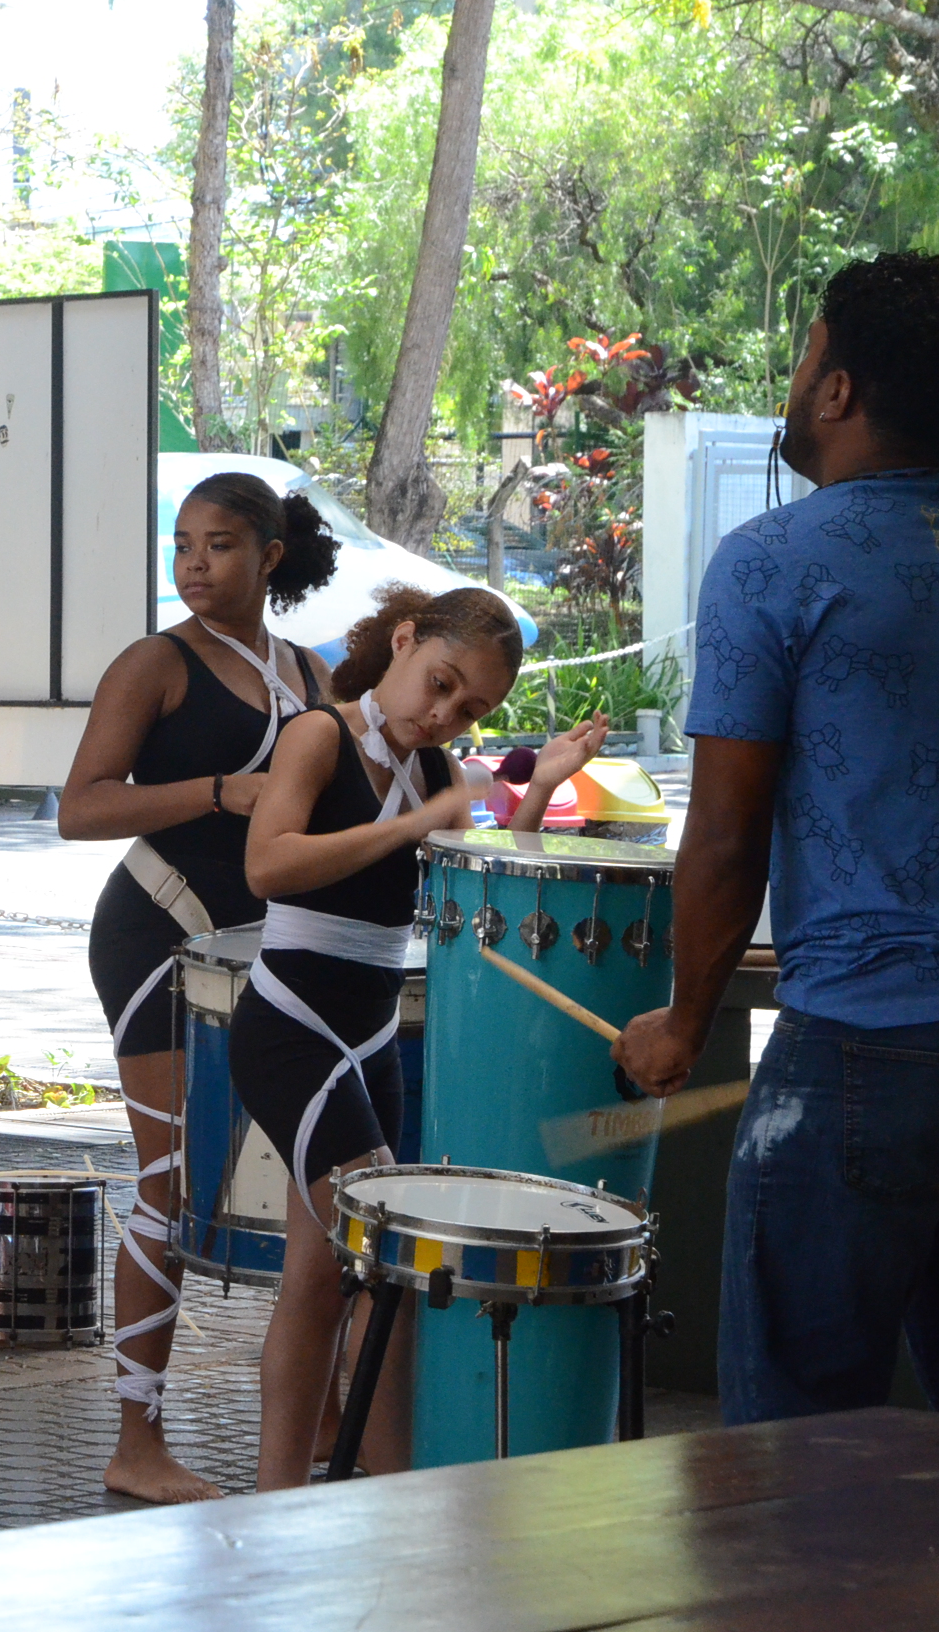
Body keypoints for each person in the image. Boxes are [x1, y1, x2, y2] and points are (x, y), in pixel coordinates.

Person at [615, 251, 939, 1426]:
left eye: (805, 358)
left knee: (794, 1442)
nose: (795, 382)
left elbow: (725, 835)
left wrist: (683, 1024)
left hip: (863, 1045)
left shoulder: (773, 561)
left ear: (839, 389)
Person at [238, 586, 601, 1490]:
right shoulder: (317, 735)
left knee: (322, 1279)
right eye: (440, 684)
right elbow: (266, 864)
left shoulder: (436, 770)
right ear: (403, 641)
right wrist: (407, 825)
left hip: (370, 1035)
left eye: (469, 709)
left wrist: (539, 790)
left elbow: (477, 898)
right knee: (387, 1259)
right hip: (290, 1022)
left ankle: (290, 1503)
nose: (443, 716)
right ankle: (389, 1501)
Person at [56, 472, 337, 1504]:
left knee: (319, 1180)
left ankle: (326, 1418)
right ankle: (136, 1440)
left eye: (218, 544)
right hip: (157, 929)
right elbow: (80, 808)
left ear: (269, 556)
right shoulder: (155, 663)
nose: (193, 564)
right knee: (170, 1180)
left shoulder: (308, 670)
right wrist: (220, 792)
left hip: (266, 949)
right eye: (181, 544)